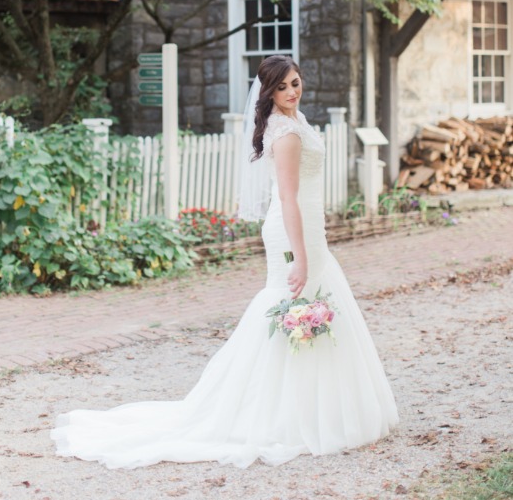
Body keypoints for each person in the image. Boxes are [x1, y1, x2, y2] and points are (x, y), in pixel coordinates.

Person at [51, 55, 398, 469]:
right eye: (284, 86)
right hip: (294, 232)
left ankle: (308, 409)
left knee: (310, 313)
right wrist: (300, 257)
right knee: (291, 310)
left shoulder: (294, 121)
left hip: (309, 229)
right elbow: (287, 198)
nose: (292, 91)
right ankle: (269, 415)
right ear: (268, 91)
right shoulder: (285, 133)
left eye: (296, 82)